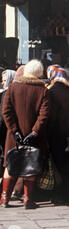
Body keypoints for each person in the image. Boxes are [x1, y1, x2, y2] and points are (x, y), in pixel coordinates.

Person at [0, 60, 49, 209]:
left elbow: (6, 111)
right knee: (31, 165)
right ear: (39, 72)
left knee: (10, 164)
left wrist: (14, 130)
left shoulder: (13, 86)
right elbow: (44, 115)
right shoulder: (43, 90)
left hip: (14, 136)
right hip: (33, 136)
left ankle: (4, 198)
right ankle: (27, 199)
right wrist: (34, 132)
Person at [47, 65, 69, 204]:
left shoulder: (51, 93)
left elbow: (51, 117)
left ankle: (59, 195)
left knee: (58, 166)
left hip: (57, 135)